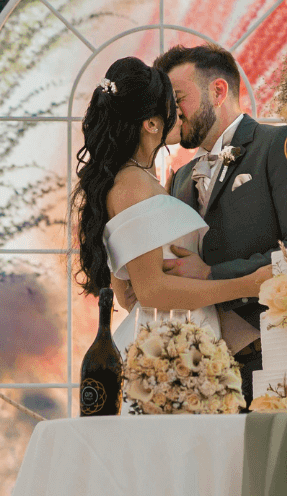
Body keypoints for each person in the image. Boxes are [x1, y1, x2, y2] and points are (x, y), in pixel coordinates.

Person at [72, 55, 273, 361]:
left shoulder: (138, 180)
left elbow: (129, 293)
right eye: (172, 104)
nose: (179, 113)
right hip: (168, 346)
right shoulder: (133, 184)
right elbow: (152, 291)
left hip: (179, 336)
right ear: (152, 124)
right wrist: (246, 284)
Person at [155, 43, 287, 405]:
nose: (171, 112)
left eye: (178, 97)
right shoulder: (180, 178)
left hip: (278, 358)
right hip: (201, 371)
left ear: (218, 91)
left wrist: (212, 273)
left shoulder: (283, 144)